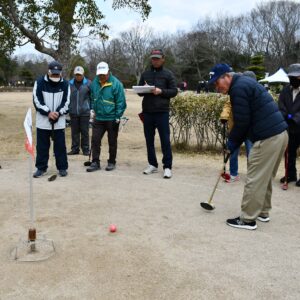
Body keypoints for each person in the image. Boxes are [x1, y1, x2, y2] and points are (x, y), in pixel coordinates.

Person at [209, 63, 288, 230]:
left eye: (217, 82)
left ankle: (247, 219)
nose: (217, 87)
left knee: (254, 178)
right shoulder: (244, 83)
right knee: (264, 177)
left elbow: (242, 123)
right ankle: (263, 212)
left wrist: (231, 143)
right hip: (279, 134)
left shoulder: (238, 89)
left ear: (227, 77)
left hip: (267, 137)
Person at [138, 49, 178, 179]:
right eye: (153, 58)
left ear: (163, 59)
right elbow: (139, 92)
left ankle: (167, 167)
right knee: (149, 139)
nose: (154, 61)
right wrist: (145, 89)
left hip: (162, 112)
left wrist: (161, 91)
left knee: (165, 140)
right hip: (148, 111)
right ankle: (152, 164)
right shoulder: (145, 74)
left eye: (157, 58)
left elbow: (174, 91)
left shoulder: (168, 74)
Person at [86, 62, 126, 172]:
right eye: (100, 74)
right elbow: (93, 97)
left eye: (103, 74)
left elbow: (121, 102)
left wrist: (118, 116)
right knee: (95, 140)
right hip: (98, 117)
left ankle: (112, 161)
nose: (102, 76)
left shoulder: (116, 84)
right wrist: (92, 109)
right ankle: (95, 162)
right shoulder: (95, 83)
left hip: (112, 118)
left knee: (112, 141)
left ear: (108, 72)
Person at [32, 60, 70, 178]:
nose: (55, 76)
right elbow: (37, 101)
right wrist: (48, 112)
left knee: (60, 146)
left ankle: (62, 167)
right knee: (42, 147)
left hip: (59, 122)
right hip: (43, 122)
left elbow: (67, 102)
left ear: (60, 73)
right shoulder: (39, 82)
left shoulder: (65, 84)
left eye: (57, 73)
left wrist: (58, 113)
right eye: (53, 73)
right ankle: (41, 168)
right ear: (48, 72)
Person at [219, 71, 256, 183]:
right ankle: (233, 174)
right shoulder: (236, 92)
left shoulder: (255, 95)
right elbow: (228, 105)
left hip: (250, 130)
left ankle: (252, 175)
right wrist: (224, 115)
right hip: (236, 128)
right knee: (232, 152)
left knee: (251, 153)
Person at [278, 63, 300, 187]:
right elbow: (281, 105)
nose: (293, 80)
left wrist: (294, 118)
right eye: (291, 77)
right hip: (289, 127)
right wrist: (285, 115)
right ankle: (291, 174)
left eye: (296, 77)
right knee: (289, 152)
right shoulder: (285, 90)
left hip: (298, 125)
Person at [68, 66, 91, 156]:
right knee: (74, 132)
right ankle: (75, 149)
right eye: (76, 75)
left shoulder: (88, 83)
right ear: (74, 75)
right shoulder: (69, 84)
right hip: (73, 112)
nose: (78, 76)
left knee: (85, 132)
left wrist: (91, 109)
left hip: (85, 112)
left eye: (80, 75)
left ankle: (85, 149)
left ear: (83, 74)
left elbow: (92, 97)